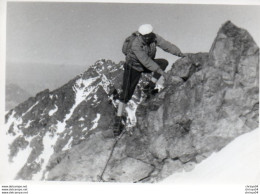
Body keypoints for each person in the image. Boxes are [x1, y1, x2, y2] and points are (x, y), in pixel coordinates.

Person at [113, 24, 186, 136]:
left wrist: (179, 53)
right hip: (133, 67)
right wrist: (162, 73)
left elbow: (166, 45)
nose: (147, 38)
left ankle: (149, 87)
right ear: (141, 35)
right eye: (145, 36)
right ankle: (118, 120)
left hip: (144, 65)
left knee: (163, 62)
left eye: (149, 35)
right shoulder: (135, 44)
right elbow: (146, 60)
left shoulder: (154, 37)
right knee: (126, 94)